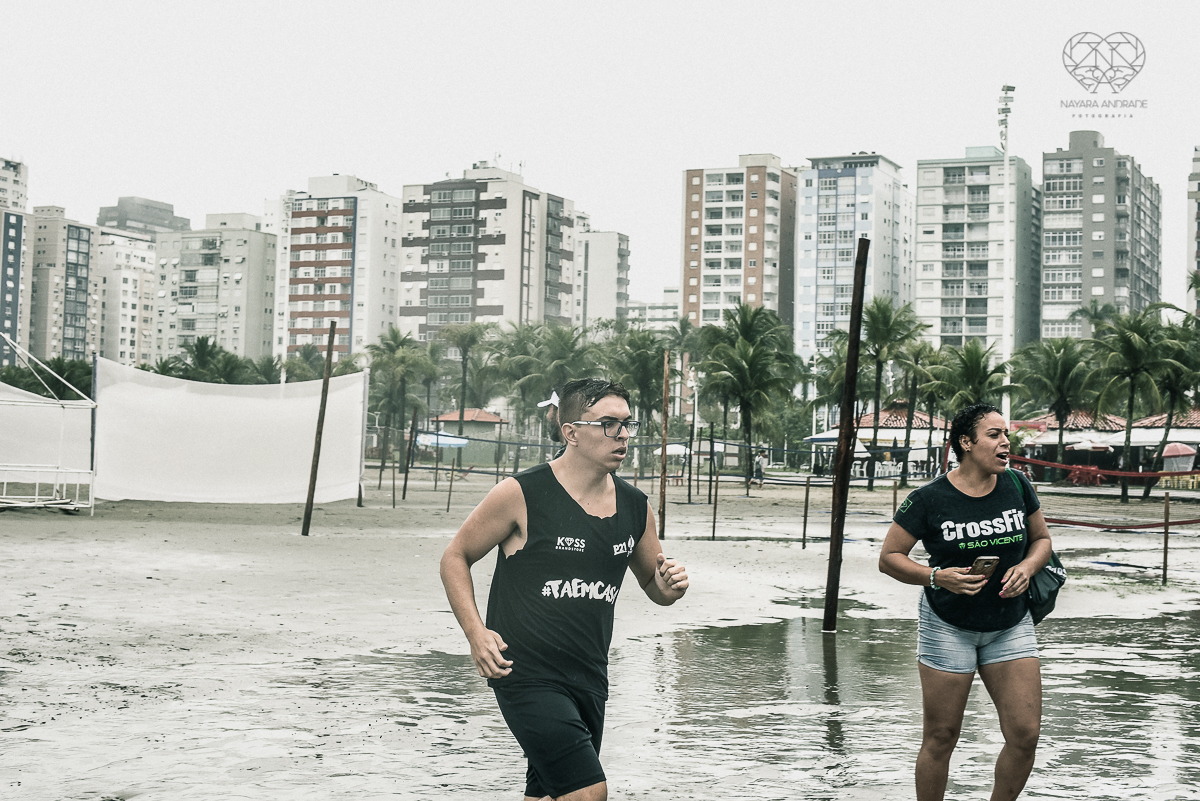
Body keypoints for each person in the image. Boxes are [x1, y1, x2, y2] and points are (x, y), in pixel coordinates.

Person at [440, 378, 689, 801]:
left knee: (548, 794)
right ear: (571, 432)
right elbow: (455, 557)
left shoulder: (635, 507)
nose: (623, 435)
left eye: (628, 424)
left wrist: (671, 586)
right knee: (589, 792)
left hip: (590, 675)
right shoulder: (521, 493)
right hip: (524, 672)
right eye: (608, 424)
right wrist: (476, 633)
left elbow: (654, 587)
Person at [879, 402, 1052, 801]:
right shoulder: (928, 499)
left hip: (1009, 623)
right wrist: (937, 576)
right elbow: (889, 559)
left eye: (1005, 434)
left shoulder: (1018, 484)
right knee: (942, 736)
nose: (1006, 442)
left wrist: (1027, 566)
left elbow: (1042, 540)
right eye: (994, 435)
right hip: (947, 624)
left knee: (1025, 735)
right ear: (966, 443)